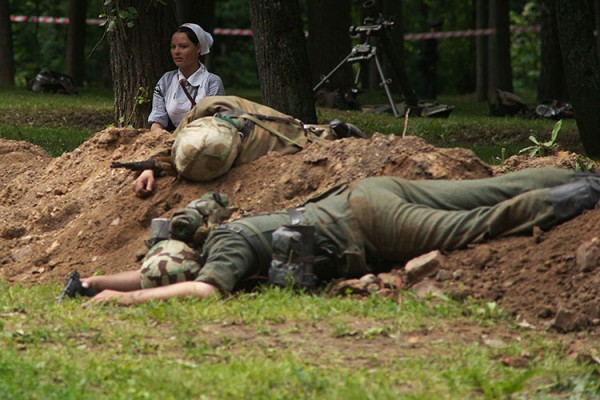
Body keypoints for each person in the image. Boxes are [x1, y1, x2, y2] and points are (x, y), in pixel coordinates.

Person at [82, 168, 600, 306]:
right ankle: (572, 176)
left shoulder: (227, 252)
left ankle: (580, 196)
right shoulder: (216, 232)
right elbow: (164, 269)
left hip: (370, 228)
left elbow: (201, 289)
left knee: (474, 226)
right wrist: (92, 282)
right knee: (483, 190)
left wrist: (123, 302)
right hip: (367, 192)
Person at [135, 95, 365, 197]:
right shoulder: (213, 106)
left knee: (321, 136)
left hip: (317, 138)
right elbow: (179, 142)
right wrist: (150, 166)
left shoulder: (261, 151)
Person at [148, 23, 225, 134]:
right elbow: (157, 117)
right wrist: (158, 130)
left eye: (183, 46)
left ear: (198, 48)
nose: (176, 52)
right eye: (173, 47)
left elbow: (215, 120)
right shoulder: (166, 80)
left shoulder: (212, 82)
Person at [417, 19, 443, 101]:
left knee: (429, 81)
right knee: (429, 81)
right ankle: (428, 97)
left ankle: (429, 97)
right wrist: (430, 64)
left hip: (427, 62)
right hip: (427, 63)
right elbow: (426, 52)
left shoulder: (431, 38)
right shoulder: (429, 38)